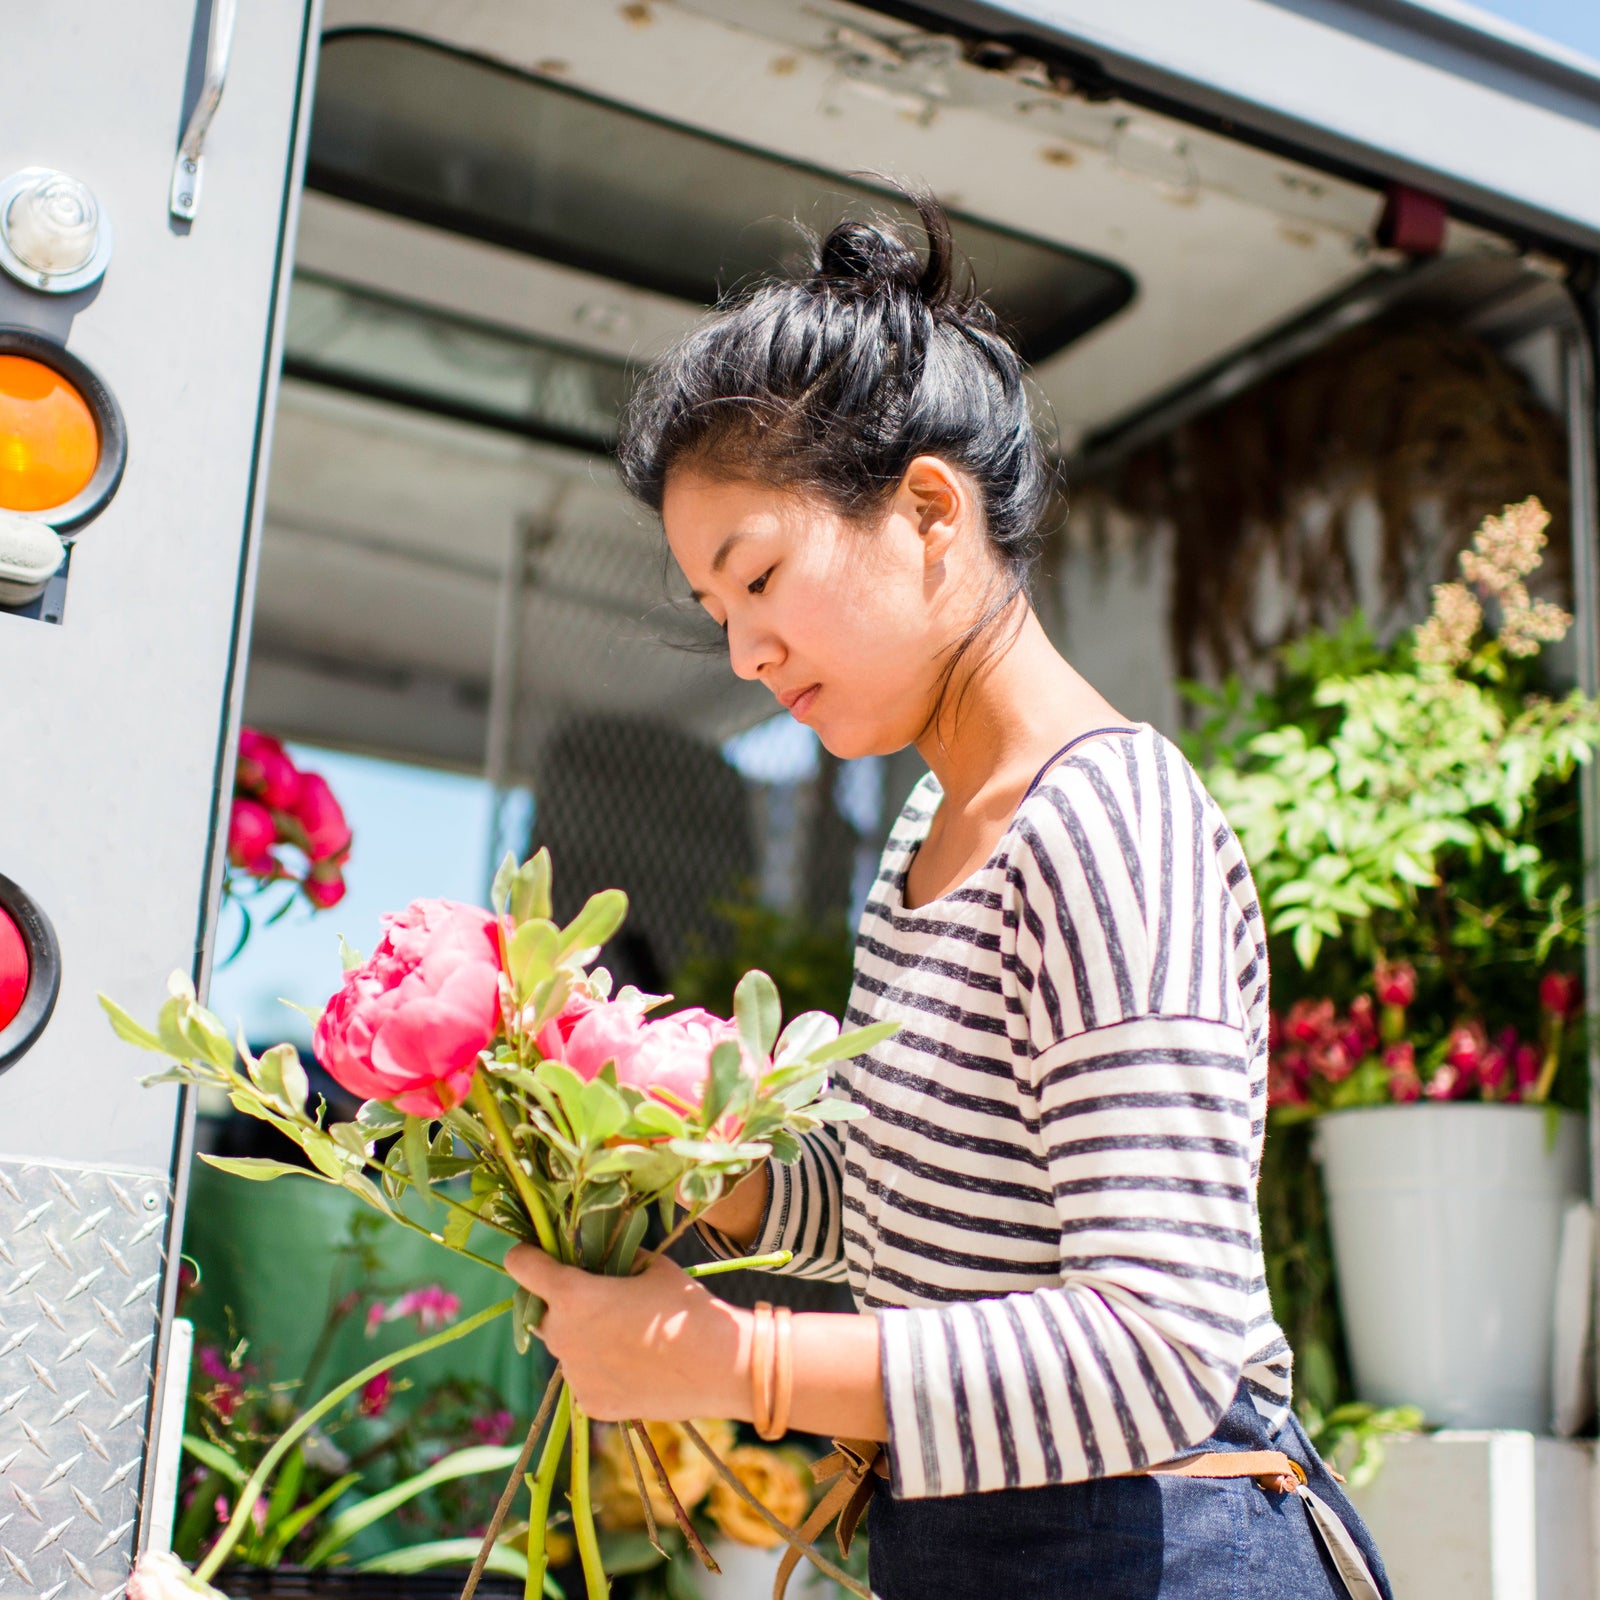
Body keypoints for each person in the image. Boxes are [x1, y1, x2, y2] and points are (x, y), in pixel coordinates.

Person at [506, 190, 1392, 1600]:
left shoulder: (1106, 818)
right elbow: (908, 1215)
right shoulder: (929, 832)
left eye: (760, 577)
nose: (744, 653)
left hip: (1161, 1549)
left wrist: (737, 1361)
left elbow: (1160, 1347)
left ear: (929, 511)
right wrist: (674, 1149)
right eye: (719, 614)